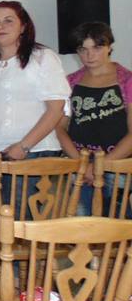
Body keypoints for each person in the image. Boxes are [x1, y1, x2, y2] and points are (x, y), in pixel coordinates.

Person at [0, 1, 70, 197]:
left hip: (31, 152)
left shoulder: (42, 57)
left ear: (23, 27)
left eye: (8, 21)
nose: (1, 26)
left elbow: (56, 110)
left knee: (19, 215)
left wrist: (24, 146)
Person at [56, 21, 132, 216]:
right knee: (81, 224)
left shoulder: (127, 81)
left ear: (109, 47)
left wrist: (101, 165)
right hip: (79, 164)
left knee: (119, 225)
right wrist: (80, 163)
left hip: (117, 165)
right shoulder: (70, 82)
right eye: (83, 49)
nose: (89, 55)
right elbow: (59, 127)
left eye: (96, 48)